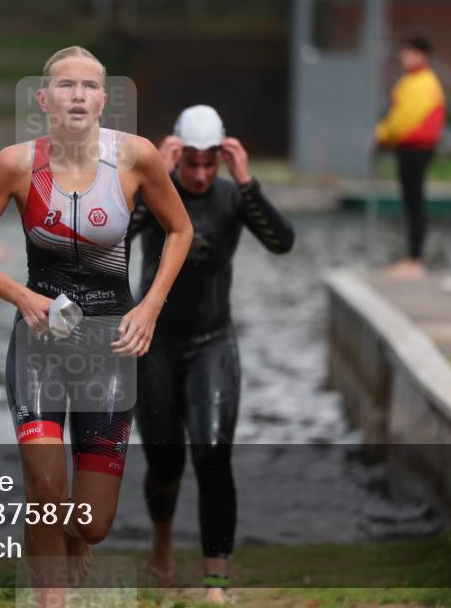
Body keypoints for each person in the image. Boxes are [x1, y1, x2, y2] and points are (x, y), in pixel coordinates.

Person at [0, 46, 193, 607]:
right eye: (66, 85)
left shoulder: (136, 159)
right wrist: (21, 295)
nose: (78, 94)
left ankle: (72, 537)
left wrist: (151, 304)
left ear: (105, 100)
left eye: (89, 86)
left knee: (92, 521)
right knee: (44, 488)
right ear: (44, 99)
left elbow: (180, 231)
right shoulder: (16, 165)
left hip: (108, 344)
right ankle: (49, 601)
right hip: (40, 341)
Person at [130, 105, 295, 604]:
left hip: (212, 343)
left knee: (214, 455)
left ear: (223, 158)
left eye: (210, 164)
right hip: (154, 342)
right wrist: (151, 173)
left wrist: (247, 183)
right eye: (191, 164)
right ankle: (161, 542)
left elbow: (282, 242)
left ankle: (216, 583)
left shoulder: (231, 194)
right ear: (177, 155)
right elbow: (114, 239)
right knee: (164, 461)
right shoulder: (157, 192)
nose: (200, 175)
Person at [374, 36, 446, 279]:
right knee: (412, 201)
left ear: (421, 55)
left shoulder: (420, 84)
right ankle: (412, 258)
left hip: (415, 149)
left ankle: (414, 260)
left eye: (408, 53)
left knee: (414, 202)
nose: (403, 57)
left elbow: (402, 120)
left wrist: (380, 135)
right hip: (412, 149)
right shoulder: (415, 82)